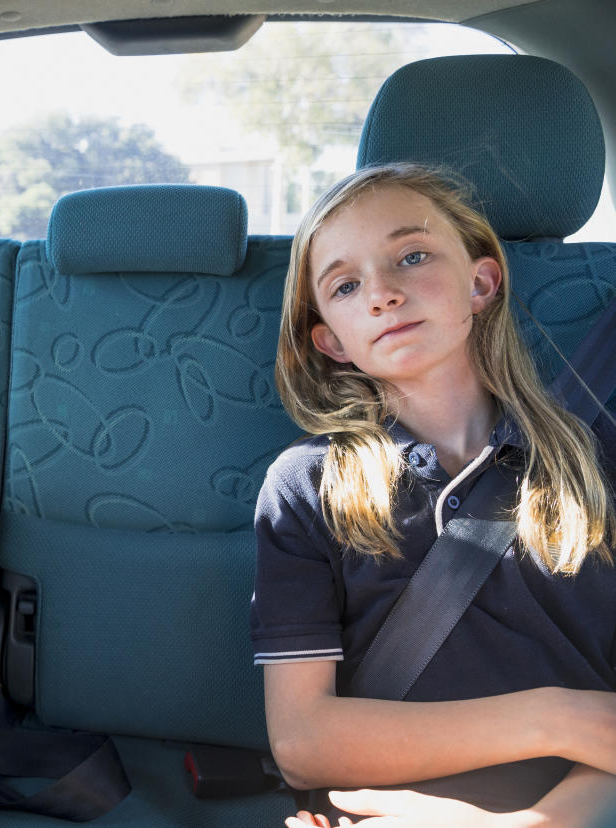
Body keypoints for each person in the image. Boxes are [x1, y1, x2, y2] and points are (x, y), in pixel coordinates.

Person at [251, 164, 616, 827]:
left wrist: (546, 823)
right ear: (332, 341)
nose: (383, 294)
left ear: (480, 281)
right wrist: (557, 718)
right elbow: (303, 743)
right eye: (346, 285)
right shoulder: (307, 486)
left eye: (411, 256)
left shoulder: (596, 462)